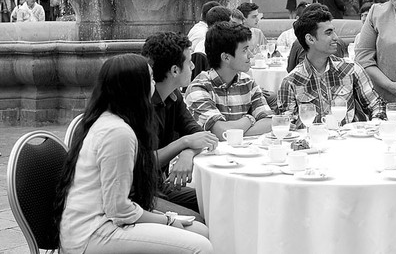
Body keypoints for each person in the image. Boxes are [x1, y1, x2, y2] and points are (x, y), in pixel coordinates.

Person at [53, 54, 213, 254]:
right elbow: (119, 210)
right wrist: (168, 220)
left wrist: (167, 219)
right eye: (151, 79)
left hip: (105, 222)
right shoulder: (117, 132)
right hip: (93, 233)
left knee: (201, 230)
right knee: (200, 246)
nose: (155, 84)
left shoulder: (112, 120)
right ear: (136, 88)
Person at [141, 32, 219, 221]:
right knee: (198, 220)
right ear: (175, 70)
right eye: (189, 61)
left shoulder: (173, 96)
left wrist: (188, 153)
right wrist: (183, 143)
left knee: (219, 201)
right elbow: (142, 163)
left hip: (161, 185)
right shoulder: (140, 105)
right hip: (140, 194)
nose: (193, 66)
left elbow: (201, 135)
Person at [278, 6, 387, 130]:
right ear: (310, 39)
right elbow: (286, 124)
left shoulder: (351, 70)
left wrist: (375, 123)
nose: (336, 37)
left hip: (349, 142)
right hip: (313, 145)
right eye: (328, 33)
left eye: (334, 31)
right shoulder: (292, 81)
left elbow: (376, 104)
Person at [185, 22, 273, 140]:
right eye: (245, 50)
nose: (251, 55)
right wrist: (250, 118)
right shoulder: (199, 88)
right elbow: (220, 131)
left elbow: (269, 122)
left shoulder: (248, 82)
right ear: (226, 57)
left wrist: (233, 133)